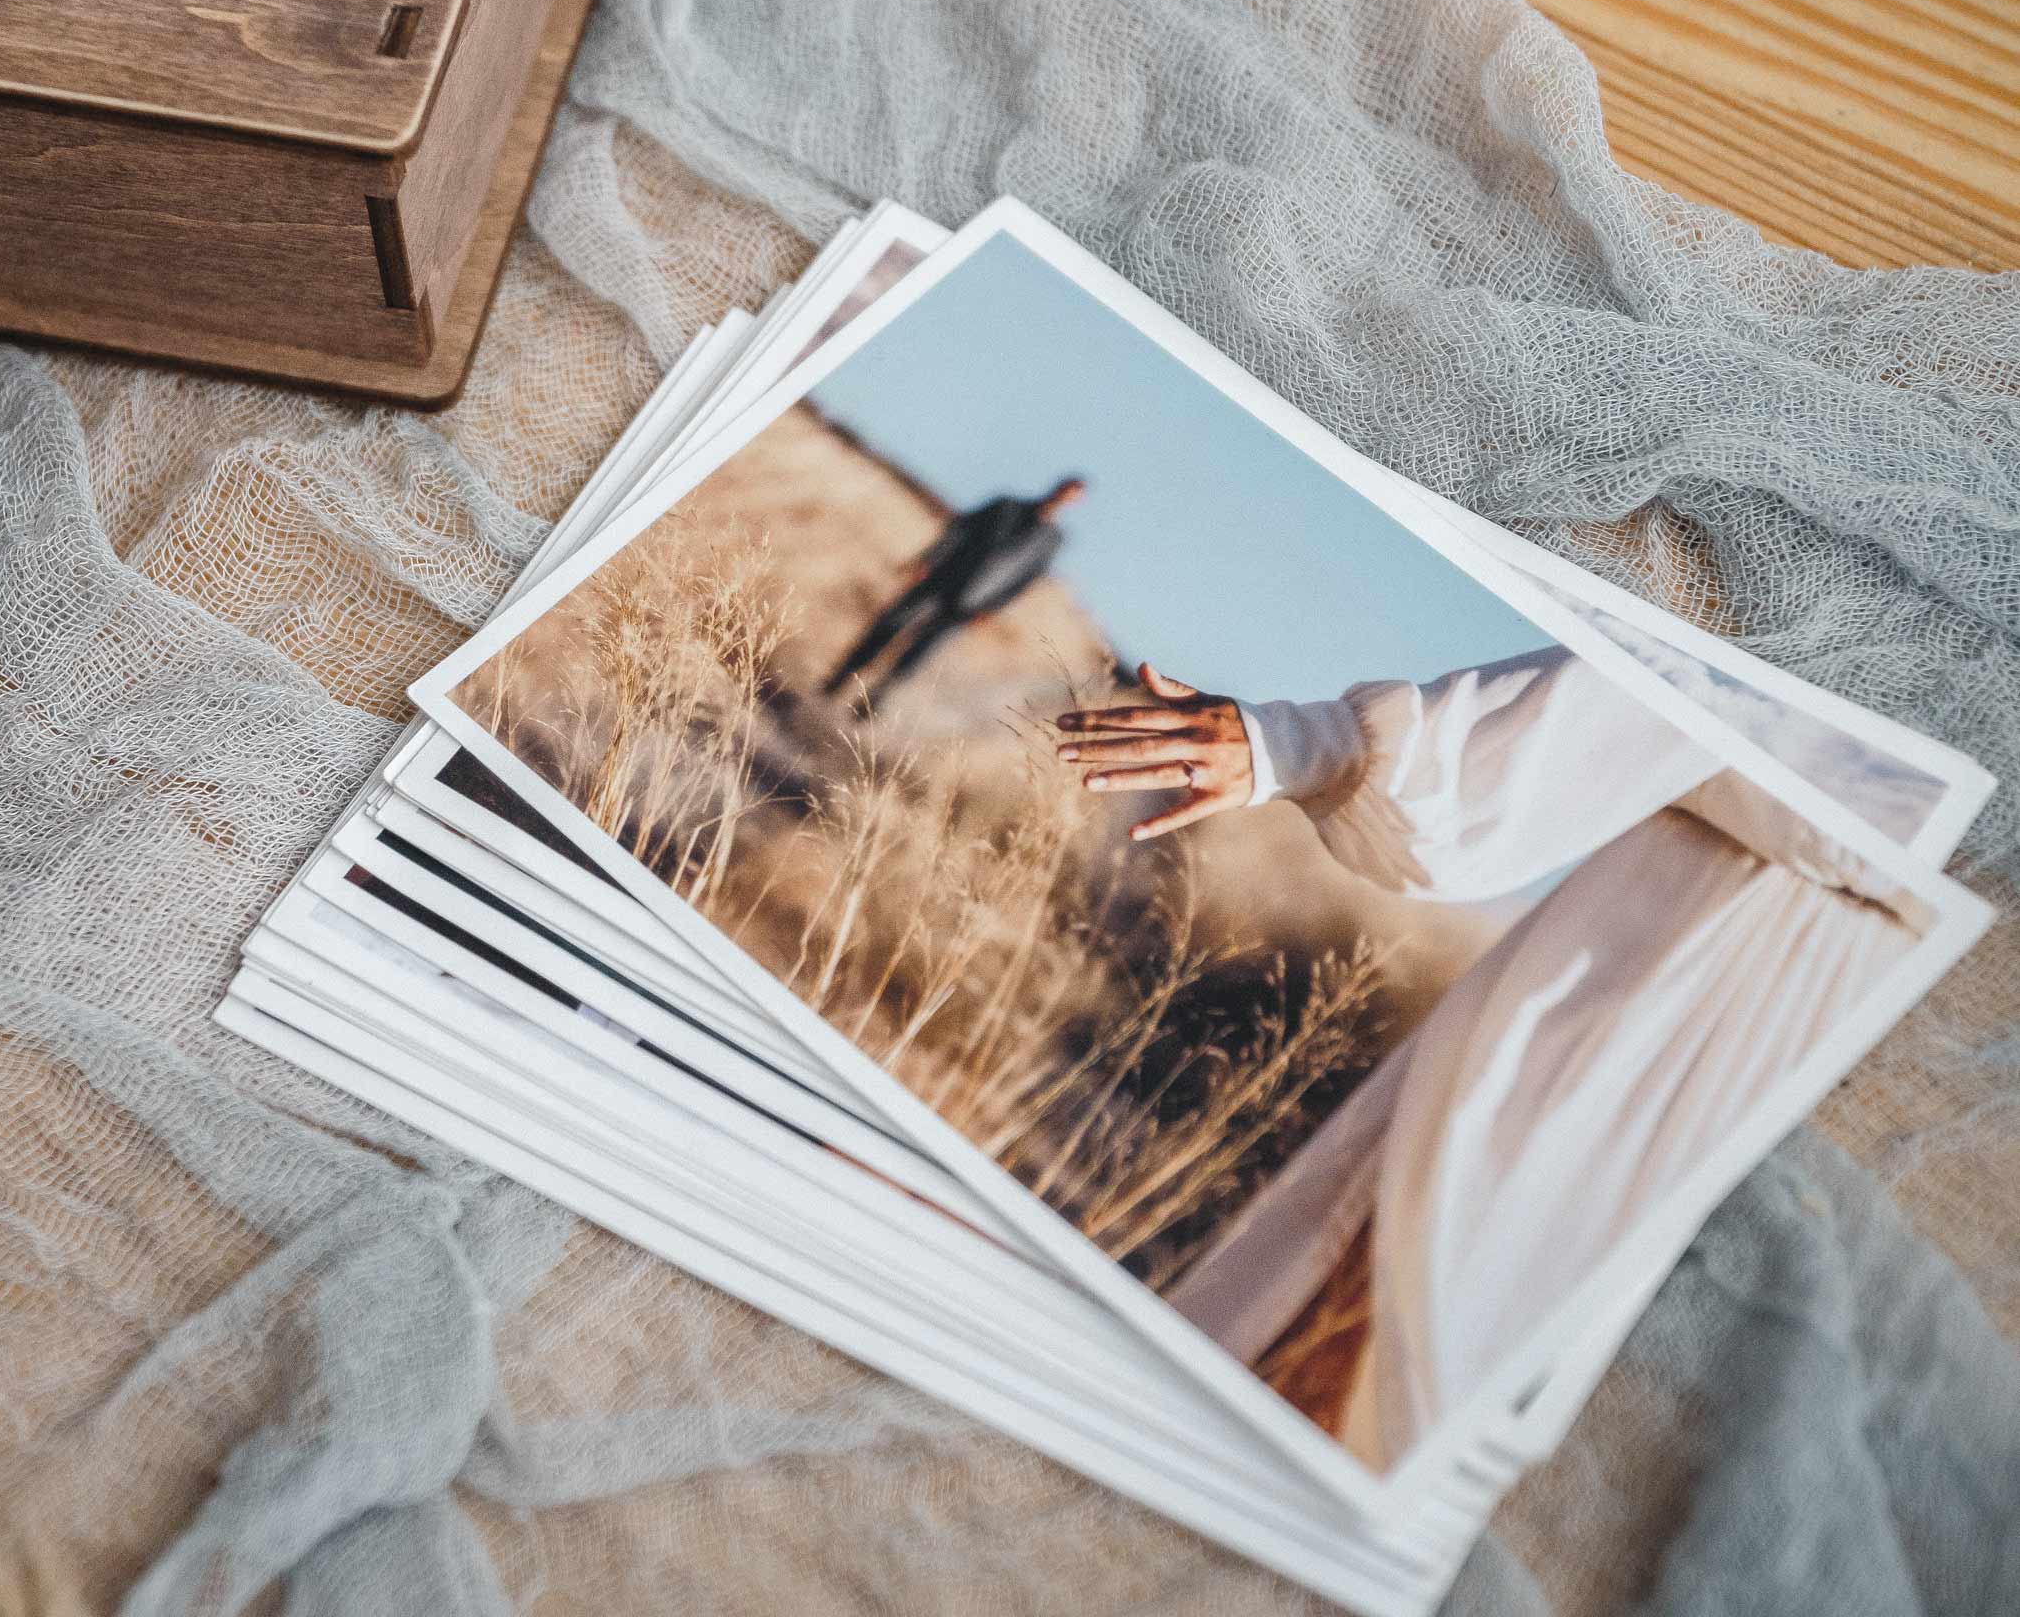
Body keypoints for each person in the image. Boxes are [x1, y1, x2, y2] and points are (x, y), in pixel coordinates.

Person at [1053, 647, 1921, 1470]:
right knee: (1381, 1336)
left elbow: (1694, 702)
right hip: (1652, 1024)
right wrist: (1302, 746)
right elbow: (1690, 697)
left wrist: (1305, 746)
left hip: (1737, 1076)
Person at [820, 477, 1087, 711]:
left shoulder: (1051, 542)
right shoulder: (1006, 505)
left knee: (918, 654)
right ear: (1056, 486)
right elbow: (959, 530)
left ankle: (872, 702)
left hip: (972, 605)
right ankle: (838, 680)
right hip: (941, 579)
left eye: (1071, 496)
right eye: (1064, 490)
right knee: (890, 625)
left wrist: (991, 610)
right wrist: (927, 560)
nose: (1063, 497)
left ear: (1073, 502)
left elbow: (1024, 582)